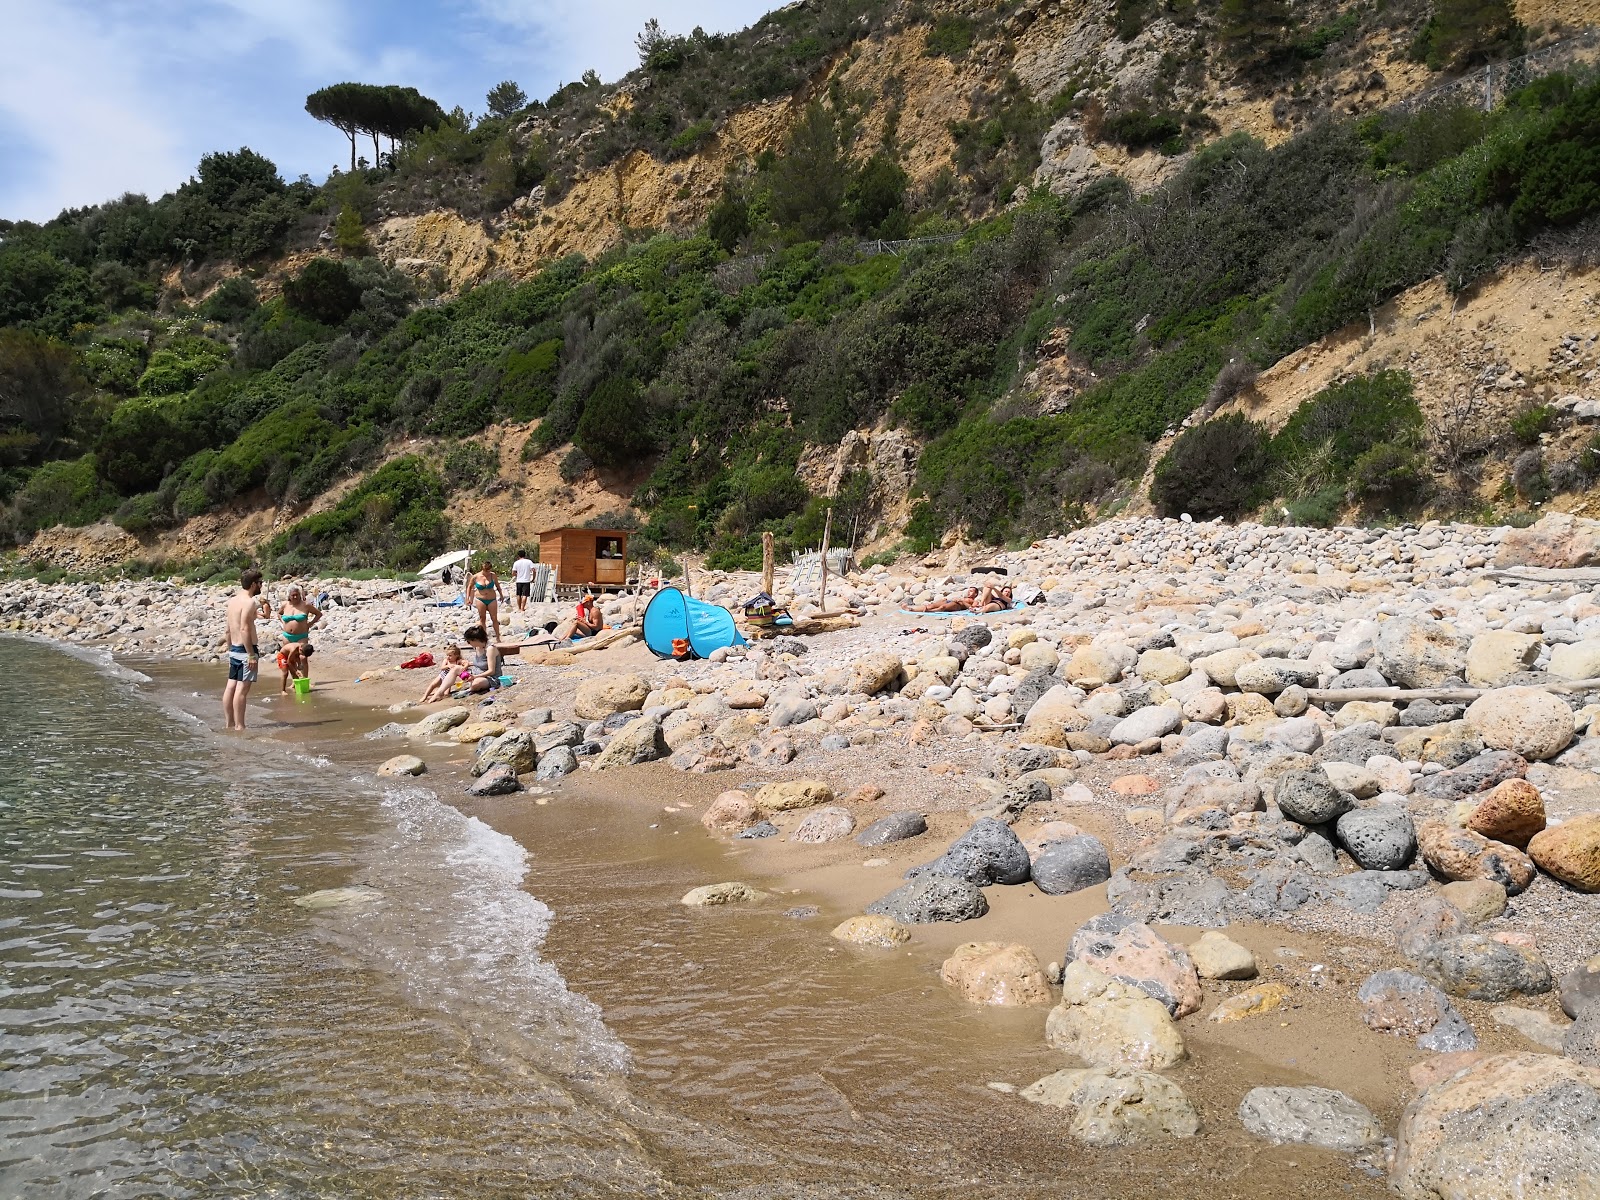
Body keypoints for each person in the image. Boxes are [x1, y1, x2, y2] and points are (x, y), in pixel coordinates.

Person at [223, 568, 267, 730]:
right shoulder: (249, 602)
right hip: (245, 650)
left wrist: (230, 650)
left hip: (234, 648)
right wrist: (251, 655)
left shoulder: (232, 601)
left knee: (230, 686)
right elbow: (244, 629)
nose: (261, 586)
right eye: (260, 583)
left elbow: (228, 629)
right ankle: (240, 726)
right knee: (242, 689)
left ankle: (229, 724)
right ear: (253, 584)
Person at [276, 585, 323, 693]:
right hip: (287, 636)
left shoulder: (305, 605)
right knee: (291, 659)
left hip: (301, 635)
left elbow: (318, 614)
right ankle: (295, 681)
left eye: (297, 595)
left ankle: (305, 679)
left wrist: (310, 624)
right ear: (289, 596)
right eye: (293, 595)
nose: (295, 597)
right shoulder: (285, 605)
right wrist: (283, 621)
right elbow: (278, 613)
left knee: (302, 658)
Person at [469, 559, 506, 642]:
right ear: (483, 569)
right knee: (482, 618)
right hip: (480, 599)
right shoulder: (476, 577)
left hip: (491, 599)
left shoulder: (493, 575)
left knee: (494, 618)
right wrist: (468, 598)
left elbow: (497, 585)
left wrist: (501, 595)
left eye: (489, 570)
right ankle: (484, 638)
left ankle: (498, 637)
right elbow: (470, 587)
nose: (488, 572)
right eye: (486, 570)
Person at [461, 625, 503, 694]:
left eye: (469, 641)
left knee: (477, 683)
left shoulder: (490, 649)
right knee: (455, 669)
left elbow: (491, 671)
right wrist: (468, 664)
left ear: (475, 640)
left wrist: (475, 677)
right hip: (476, 674)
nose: (469, 644)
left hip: (490, 678)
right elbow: (481, 663)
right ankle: (440, 692)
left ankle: (468, 690)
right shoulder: (477, 647)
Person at [909, 587, 980, 613]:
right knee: (931, 605)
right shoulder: (964, 597)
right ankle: (912, 609)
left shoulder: (975, 601)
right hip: (952, 601)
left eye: (971, 591)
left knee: (942, 608)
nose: (968, 592)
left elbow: (972, 608)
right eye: (969, 590)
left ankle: (929, 611)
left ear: (975, 594)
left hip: (957, 605)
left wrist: (962, 602)